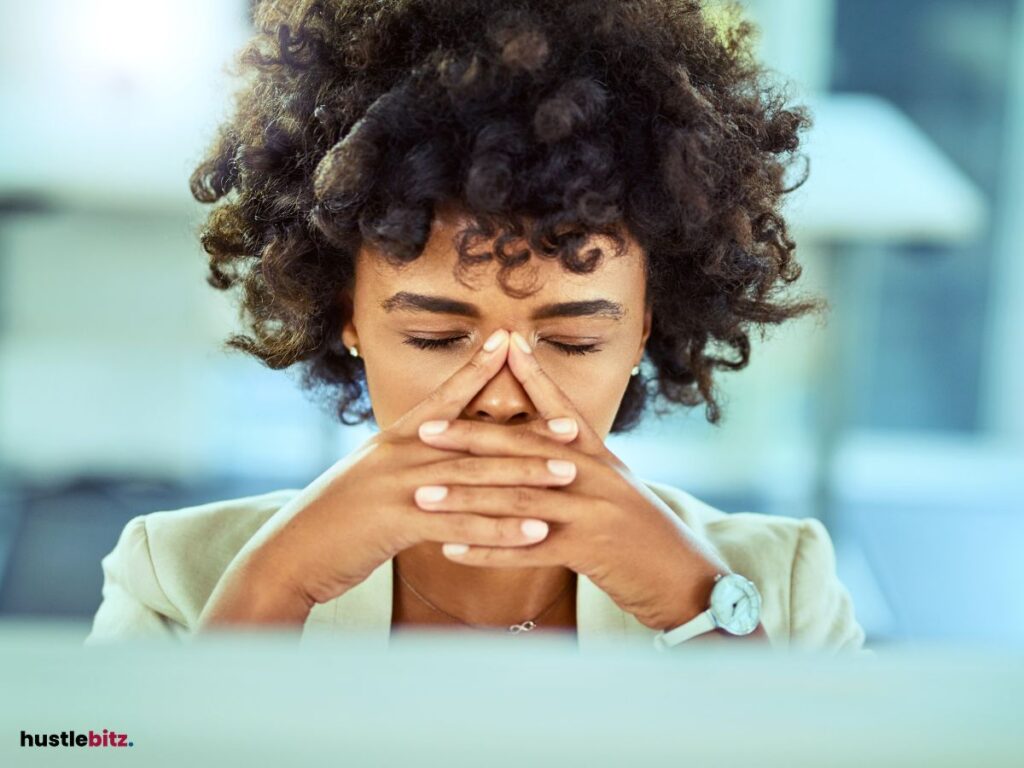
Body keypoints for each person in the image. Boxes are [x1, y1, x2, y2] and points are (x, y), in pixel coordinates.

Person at [85, 0, 868, 653]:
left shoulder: (781, 592)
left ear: (644, 332)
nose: (500, 399)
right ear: (344, 316)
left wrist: (698, 607)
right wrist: (275, 589)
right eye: (436, 337)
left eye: (572, 341)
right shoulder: (176, 578)